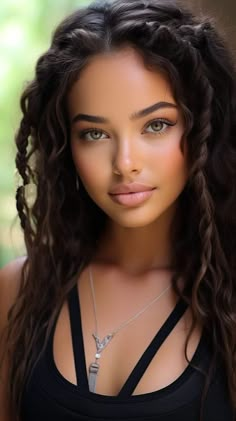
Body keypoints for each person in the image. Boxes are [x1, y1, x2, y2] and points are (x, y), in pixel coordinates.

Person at [0, 0, 235, 419]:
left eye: (156, 125)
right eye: (94, 133)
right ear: (65, 148)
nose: (124, 162)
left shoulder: (228, 296)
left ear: (203, 126)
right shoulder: (19, 290)